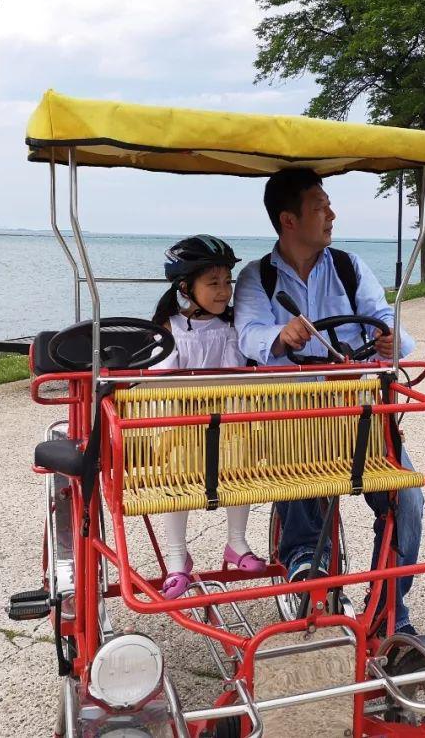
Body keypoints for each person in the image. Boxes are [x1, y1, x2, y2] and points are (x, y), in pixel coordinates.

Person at [234, 168, 423, 633]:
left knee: (409, 501)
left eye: (329, 205)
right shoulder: (257, 276)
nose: (332, 215)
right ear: (289, 220)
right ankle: (303, 559)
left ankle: (389, 614)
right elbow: (248, 333)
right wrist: (280, 336)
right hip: (289, 413)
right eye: (320, 207)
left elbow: (386, 321)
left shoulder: (348, 266)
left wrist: (391, 340)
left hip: (353, 409)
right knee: (296, 461)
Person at [152, 234, 267, 600]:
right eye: (213, 283)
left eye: (228, 282)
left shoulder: (230, 327)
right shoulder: (170, 328)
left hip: (224, 421)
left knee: (241, 465)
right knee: (178, 479)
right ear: (186, 288)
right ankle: (177, 557)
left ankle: (236, 542)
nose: (224, 291)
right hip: (182, 425)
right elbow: (162, 383)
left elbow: (234, 376)